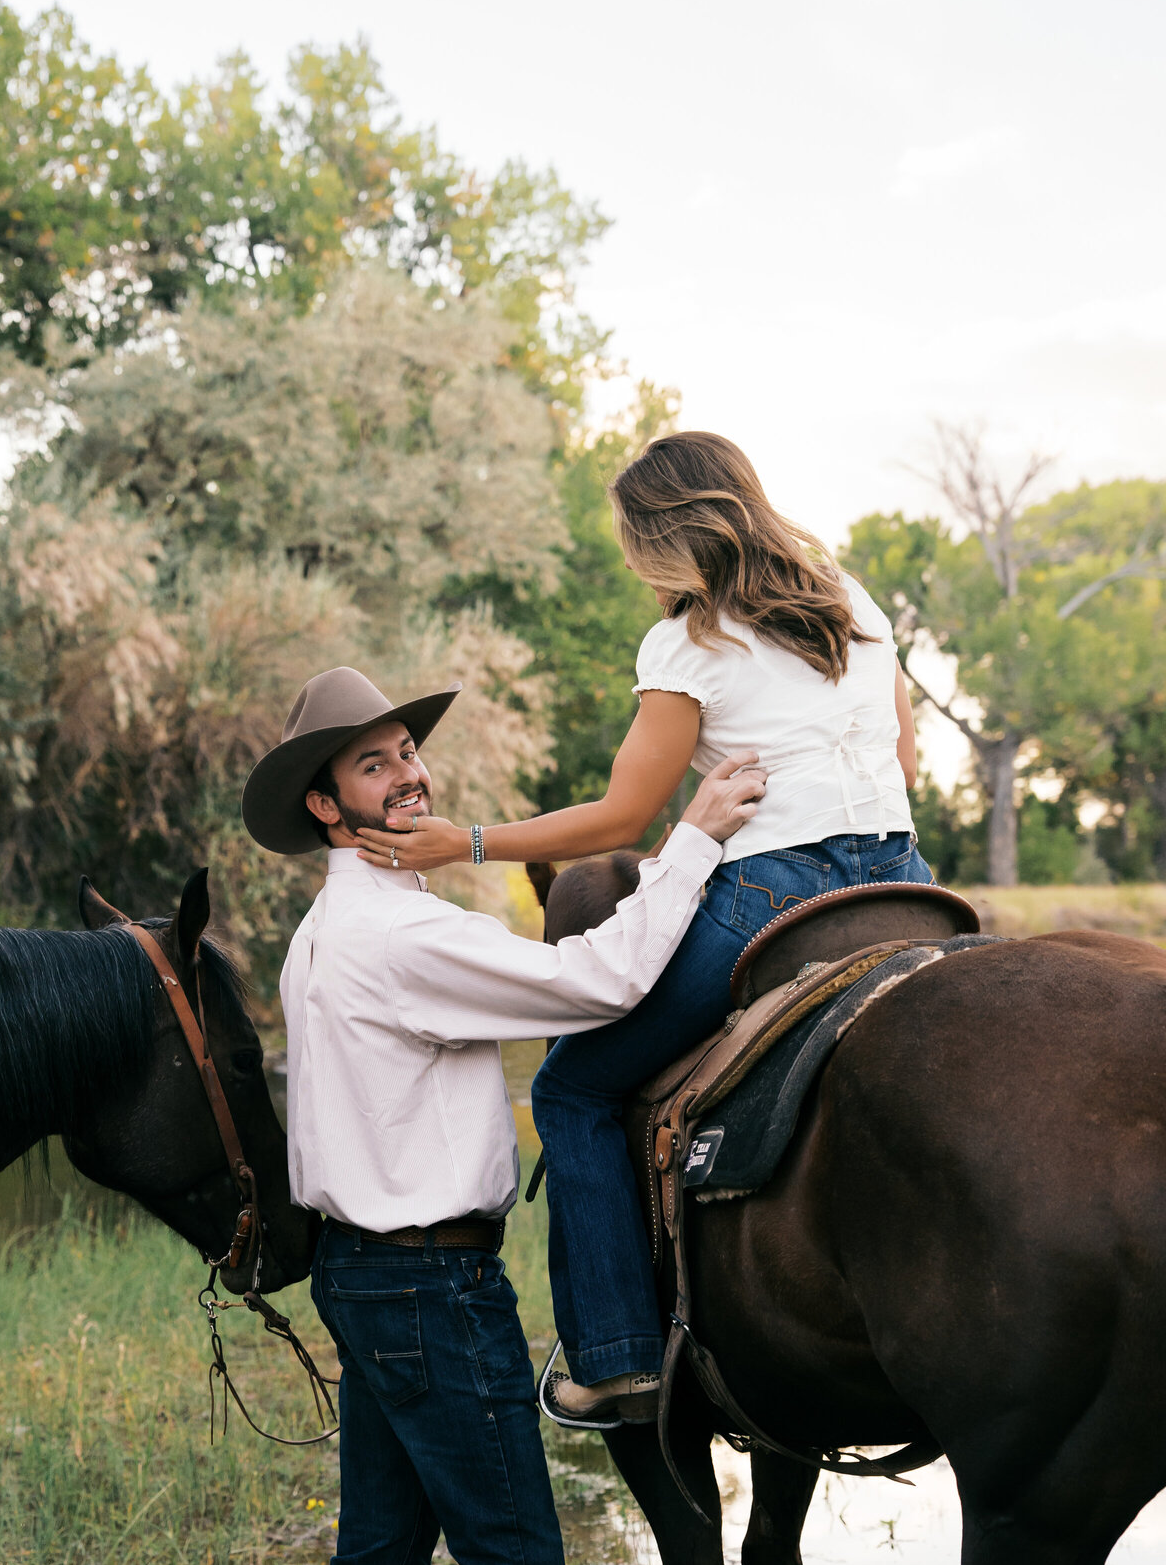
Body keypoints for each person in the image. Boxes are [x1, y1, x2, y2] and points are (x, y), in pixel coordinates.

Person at [241, 664, 762, 1565]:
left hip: (367, 1278)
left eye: (407, 750)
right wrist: (696, 832)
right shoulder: (395, 937)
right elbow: (597, 985)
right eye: (372, 765)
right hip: (429, 1287)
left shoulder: (334, 932)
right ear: (326, 802)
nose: (409, 772)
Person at [353, 431, 930, 1429]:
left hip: (776, 894)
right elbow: (908, 769)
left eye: (630, 541)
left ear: (662, 537)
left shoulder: (686, 642)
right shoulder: (848, 600)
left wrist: (468, 842)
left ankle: (614, 1356)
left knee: (574, 1086)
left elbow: (621, 821)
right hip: (905, 881)